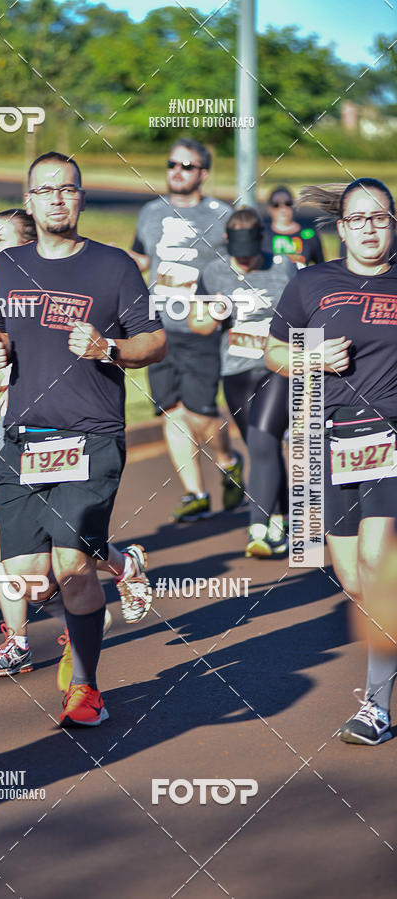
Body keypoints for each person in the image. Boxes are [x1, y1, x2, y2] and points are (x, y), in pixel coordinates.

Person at [0, 151, 166, 726]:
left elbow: (154, 343)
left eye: (68, 189)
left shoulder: (113, 268)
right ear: (29, 199)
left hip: (90, 435)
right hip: (23, 439)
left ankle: (86, 688)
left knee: (71, 565)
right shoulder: (8, 265)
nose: (57, 198)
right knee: (31, 581)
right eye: (45, 189)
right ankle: (123, 563)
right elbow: (2, 336)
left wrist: (108, 348)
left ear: (81, 198)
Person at [0, 210, 154, 678]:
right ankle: (22, 639)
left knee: (68, 555)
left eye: (0, 239)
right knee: (20, 557)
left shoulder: (65, 281)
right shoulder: (0, 282)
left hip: (75, 430)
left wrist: (105, 347)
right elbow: (9, 356)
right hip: (17, 435)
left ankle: (111, 574)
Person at [266, 178, 397, 746]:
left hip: (391, 436)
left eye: (381, 217)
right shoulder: (310, 283)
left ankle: (376, 708)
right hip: (329, 438)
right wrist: (307, 357)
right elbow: (272, 350)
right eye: (359, 219)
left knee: (377, 561)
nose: (370, 227)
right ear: (340, 227)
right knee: (352, 577)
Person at [130, 138, 244, 522]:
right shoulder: (149, 212)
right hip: (157, 325)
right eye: (172, 164)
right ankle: (194, 493)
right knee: (172, 411)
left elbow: (235, 272)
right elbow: (143, 257)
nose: (177, 172)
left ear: (203, 174)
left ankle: (228, 461)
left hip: (200, 328)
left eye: (187, 166)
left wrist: (220, 309)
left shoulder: (222, 215)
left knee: (199, 411)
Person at [190, 208, 295, 557]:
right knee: (259, 446)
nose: (246, 263)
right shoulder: (214, 271)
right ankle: (282, 519)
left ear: (261, 240)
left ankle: (259, 529)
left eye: (251, 255)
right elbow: (197, 324)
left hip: (276, 369)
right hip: (234, 372)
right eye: (240, 255)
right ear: (228, 243)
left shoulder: (282, 267)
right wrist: (214, 313)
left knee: (264, 439)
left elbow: (305, 316)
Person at [262, 186, 324, 267]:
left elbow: (321, 266)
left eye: (288, 203)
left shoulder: (309, 235)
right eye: (276, 204)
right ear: (269, 208)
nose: (283, 208)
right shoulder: (262, 234)